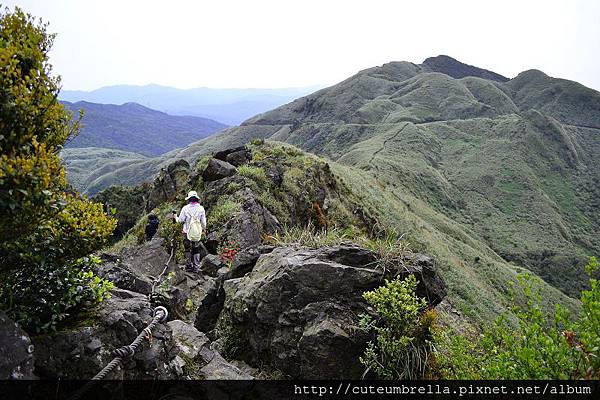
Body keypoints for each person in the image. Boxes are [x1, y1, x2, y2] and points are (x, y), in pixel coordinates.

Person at [173, 190, 207, 272]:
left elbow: (180, 221)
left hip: (186, 232)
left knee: (187, 248)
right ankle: (196, 267)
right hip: (196, 232)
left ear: (188, 199)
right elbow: (204, 223)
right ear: (197, 199)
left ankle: (188, 265)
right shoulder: (201, 208)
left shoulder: (185, 208)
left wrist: (175, 217)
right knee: (196, 249)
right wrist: (203, 229)